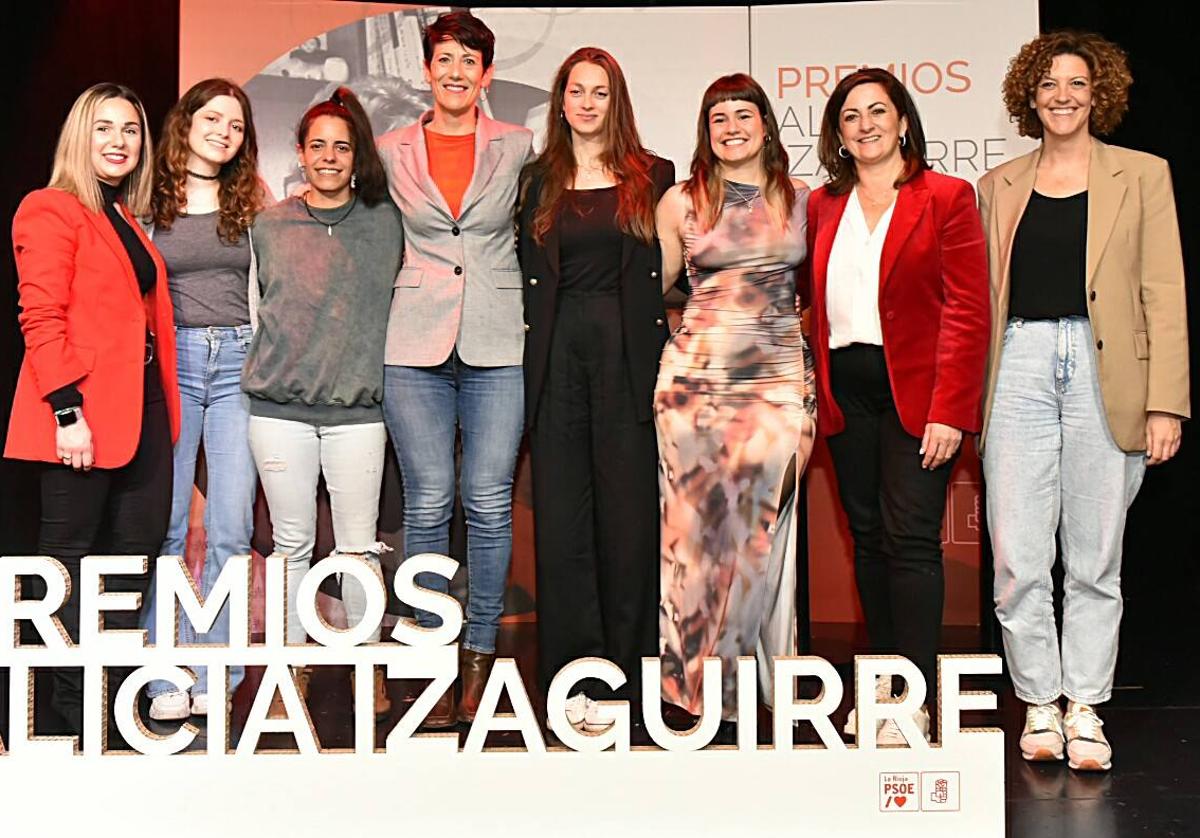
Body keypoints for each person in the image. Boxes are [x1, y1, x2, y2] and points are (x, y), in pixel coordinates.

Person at [978, 31, 1188, 771]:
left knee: (1096, 559)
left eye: (1076, 84)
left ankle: (1086, 708)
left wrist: (1166, 402)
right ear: (1028, 98)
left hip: (1109, 372)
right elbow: (983, 303)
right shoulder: (997, 185)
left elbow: (1163, 293)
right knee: (1017, 555)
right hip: (1018, 368)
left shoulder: (1143, 174)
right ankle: (1039, 700)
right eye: (1048, 85)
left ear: (1099, 94)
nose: (1062, 96)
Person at [807, 68, 989, 744]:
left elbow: (970, 310)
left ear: (904, 120)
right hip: (846, 392)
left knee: (911, 540)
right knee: (868, 540)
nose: (864, 125)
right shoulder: (823, 205)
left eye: (877, 111)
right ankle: (881, 680)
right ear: (839, 135)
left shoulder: (946, 196)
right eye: (850, 117)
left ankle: (914, 693)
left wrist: (951, 409)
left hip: (918, 394)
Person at [6, 83, 180, 742]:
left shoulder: (123, 217)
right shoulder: (50, 208)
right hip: (79, 412)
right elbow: (40, 315)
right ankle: (71, 708)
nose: (119, 142)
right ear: (81, 136)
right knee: (70, 562)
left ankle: (108, 698)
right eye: (104, 128)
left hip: (145, 407)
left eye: (131, 131)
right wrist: (66, 409)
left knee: (132, 559)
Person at [377, 11, 533, 727]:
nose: (457, 71)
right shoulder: (391, 149)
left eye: (470, 60)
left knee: (489, 503)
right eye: (445, 58)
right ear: (427, 69)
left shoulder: (520, 144)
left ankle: (477, 663)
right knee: (429, 504)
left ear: (487, 74)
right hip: (415, 345)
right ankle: (427, 663)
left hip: (498, 342)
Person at [518, 47, 674, 732]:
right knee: (563, 523)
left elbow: (679, 268)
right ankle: (575, 680)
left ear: (618, 101)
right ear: (560, 102)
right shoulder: (536, 180)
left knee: (631, 522)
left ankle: (634, 676)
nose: (586, 103)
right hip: (554, 363)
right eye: (576, 91)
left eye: (600, 92)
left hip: (628, 361)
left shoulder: (654, 175)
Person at [655, 73, 815, 722]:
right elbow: (657, 290)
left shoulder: (799, 198)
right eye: (717, 117)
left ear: (766, 125)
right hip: (696, 389)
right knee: (694, 538)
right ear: (706, 130)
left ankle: (759, 684)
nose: (730, 127)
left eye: (742, 114)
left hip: (777, 384)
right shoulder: (680, 202)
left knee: (761, 535)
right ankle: (695, 690)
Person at [241, 87, 402, 718]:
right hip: (278, 411)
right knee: (290, 547)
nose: (330, 157)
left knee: (358, 548)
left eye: (342, 146)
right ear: (300, 154)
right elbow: (258, 312)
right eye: (318, 146)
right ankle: (289, 676)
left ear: (357, 155)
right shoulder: (269, 224)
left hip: (358, 413)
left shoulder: (386, 222)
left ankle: (368, 672)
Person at [141, 78, 264, 722]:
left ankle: (216, 671)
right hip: (175, 362)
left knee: (230, 527)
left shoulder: (250, 204)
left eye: (236, 124)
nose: (223, 130)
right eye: (212, 117)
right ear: (185, 122)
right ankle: (165, 678)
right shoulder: (146, 200)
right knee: (165, 526)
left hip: (240, 360)